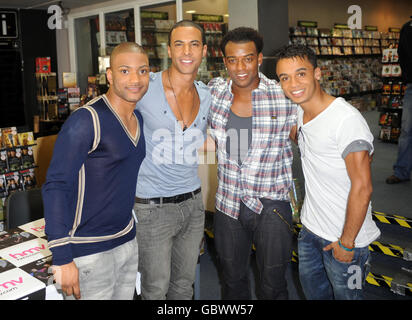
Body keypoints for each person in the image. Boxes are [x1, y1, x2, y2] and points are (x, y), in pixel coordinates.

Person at [42, 42, 149, 300]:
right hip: (88, 252)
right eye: (125, 71)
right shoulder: (86, 120)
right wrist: (63, 257)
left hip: (126, 241)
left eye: (143, 71)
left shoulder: (138, 118)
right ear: (110, 75)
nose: (135, 79)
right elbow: (56, 185)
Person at [274, 44, 381, 300]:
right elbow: (307, 142)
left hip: (345, 240)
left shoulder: (346, 119)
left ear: (318, 73)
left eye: (301, 74)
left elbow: (363, 187)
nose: (293, 84)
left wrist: (346, 242)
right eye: (284, 78)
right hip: (310, 232)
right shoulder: (300, 112)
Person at [207, 27, 297, 300]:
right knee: (232, 282)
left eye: (247, 58)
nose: (240, 67)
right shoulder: (213, 92)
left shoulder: (283, 95)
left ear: (259, 58)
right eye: (232, 60)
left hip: (271, 203)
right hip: (228, 202)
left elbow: (311, 130)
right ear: (224, 61)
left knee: (273, 285)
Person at [134, 20, 211, 300]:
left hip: (192, 205)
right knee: (155, 289)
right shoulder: (144, 86)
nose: (186, 51)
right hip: (153, 208)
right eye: (179, 44)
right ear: (169, 50)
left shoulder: (207, 94)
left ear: (204, 50)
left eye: (193, 44)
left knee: (183, 285)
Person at [386, 17, 412, 184]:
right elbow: (402, 53)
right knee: (406, 131)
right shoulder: (407, 27)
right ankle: (401, 171)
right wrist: (407, 75)